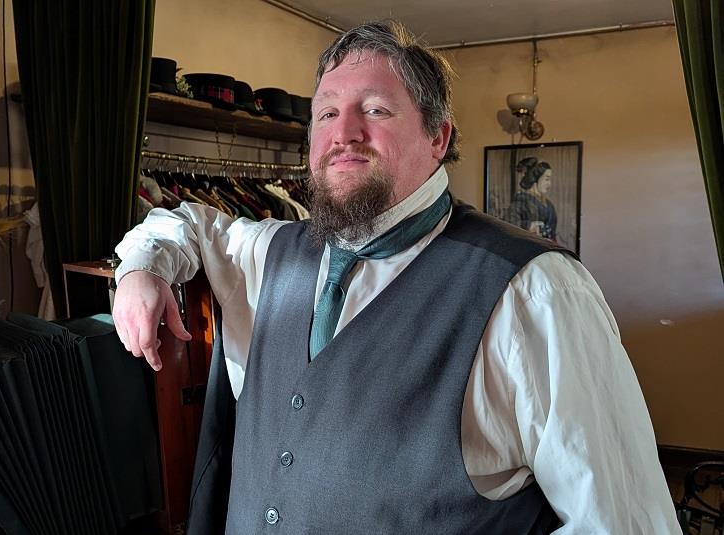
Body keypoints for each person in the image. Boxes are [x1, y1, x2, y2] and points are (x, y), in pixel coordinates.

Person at [113, 20, 679, 534]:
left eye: (376, 110)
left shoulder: (536, 291)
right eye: (327, 113)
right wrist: (140, 268)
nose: (344, 133)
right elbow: (183, 221)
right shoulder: (270, 250)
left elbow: (626, 523)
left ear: (438, 137)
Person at [508, 156, 558, 242]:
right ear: (535, 178)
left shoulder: (549, 204)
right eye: (546, 179)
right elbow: (509, 224)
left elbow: (552, 234)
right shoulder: (521, 200)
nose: (549, 184)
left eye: (549, 180)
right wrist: (529, 226)